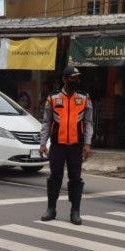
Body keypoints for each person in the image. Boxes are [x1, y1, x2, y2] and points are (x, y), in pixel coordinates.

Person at [39, 65, 93, 225]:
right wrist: (43, 143)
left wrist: (87, 143)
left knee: (76, 178)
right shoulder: (53, 98)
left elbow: (89, 122)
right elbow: (46, 121)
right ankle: (51, 209)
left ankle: (75, 211)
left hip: (76, 146)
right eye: (72, 78)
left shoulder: (84, 98)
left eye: (77, 78)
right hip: (57, 145)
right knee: (55, 177)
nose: (76, 81)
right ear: (64, 79)